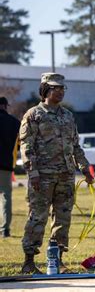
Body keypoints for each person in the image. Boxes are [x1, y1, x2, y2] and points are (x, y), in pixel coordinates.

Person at [19, 73, 94, 274]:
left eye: (62, 88)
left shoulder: (68, 116)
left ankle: (57, 261)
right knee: (38, 217)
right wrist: (32, 172)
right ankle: (28, 262)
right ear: (45, 90)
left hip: (65, 175)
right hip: (42, 176)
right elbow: (26, 146)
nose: (60, 91)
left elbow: (75, 145)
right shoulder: (33, 114)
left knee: (62, 218)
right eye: (55, 88)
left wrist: (85, 167)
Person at [0, 97, 21, 238]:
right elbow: (20, 144)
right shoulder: (14, 122)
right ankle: (4, 230)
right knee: (5, 196)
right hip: (5, 164)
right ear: (5, 106)